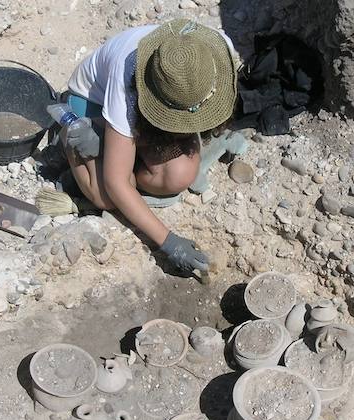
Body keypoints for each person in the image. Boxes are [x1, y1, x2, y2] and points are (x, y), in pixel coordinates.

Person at [59, 19, 237, 277]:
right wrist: (169, 243)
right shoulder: (126, 79)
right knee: (106, 196)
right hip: (93, 105)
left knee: (179, 175)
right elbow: (116, 184)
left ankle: (114, 150)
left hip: (150, 113)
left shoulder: (211, 55)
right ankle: (77, 134)